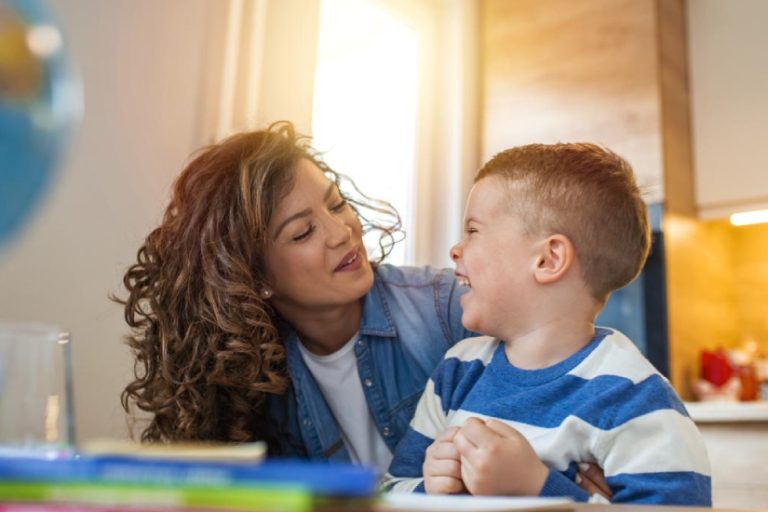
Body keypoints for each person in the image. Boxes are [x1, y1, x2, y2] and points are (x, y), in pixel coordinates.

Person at [117, 122, 609, 494]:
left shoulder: (448, 311)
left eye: (335, 205)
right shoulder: (250, 376)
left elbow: (582, 402)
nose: (341, 232)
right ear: (255, 277)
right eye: (303, 232)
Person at [382, 143, 712, 505]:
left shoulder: (634, 398)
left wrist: (536, 486)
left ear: (548, 259)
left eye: (473, 231)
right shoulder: (458, 371)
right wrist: (433, 489)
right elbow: (389, 492)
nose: (456, 249)